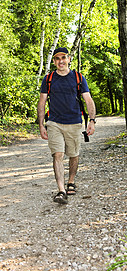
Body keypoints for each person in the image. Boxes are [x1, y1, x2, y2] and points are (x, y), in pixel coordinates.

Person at [37, 47, 96, 204]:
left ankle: (71, 181)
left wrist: (92, 120)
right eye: (57, 58)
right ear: (54, 61)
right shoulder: (48, 79)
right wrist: (41, 125)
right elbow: (42, 102)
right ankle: (61, 190)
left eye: (63, 57)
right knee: (58, 154)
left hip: (75, 122)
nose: (60, 61)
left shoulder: (78, 77)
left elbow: (88, 100)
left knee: (73, 154)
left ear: (69, 59)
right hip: (54, 122)